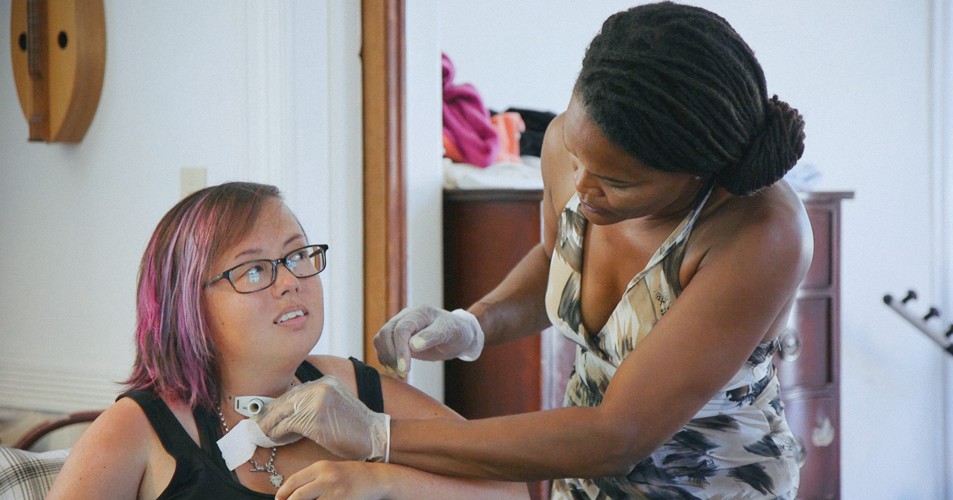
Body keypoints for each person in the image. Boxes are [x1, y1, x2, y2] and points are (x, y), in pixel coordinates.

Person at [255, 2, 812, 498]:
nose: (582, 187)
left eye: (616, 182)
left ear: (695, 172)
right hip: (581, 473)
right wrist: (473, 324)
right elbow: (555, 260)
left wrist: (378, 436)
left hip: (711, 483)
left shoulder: (761, 233)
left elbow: (617, 435)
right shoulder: (570, 148)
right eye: (576, 154)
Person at [47, 182, 526, 499]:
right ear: (187, 302)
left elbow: (511, 492)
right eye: (255, 269)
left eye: (297, 255)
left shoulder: (352, 387)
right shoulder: (140, 428)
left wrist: (380, 480)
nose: (291, 281)